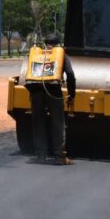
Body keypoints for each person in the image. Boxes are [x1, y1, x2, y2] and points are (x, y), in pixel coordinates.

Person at [25, 33, 76, 165]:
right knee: (57, 123)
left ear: (45, 43)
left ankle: (40, 155)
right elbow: (70, 74)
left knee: (38, 123)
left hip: (35, 91)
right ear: (58, 44)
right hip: (53, 91)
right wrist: (72, 94)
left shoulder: (36, 54)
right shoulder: (60, 55)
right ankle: (59, 156)